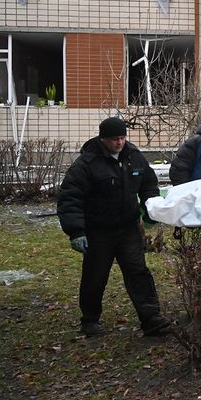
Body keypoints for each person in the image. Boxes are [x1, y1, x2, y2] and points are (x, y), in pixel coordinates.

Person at [57, 117, 172, 338]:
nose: (119, 143)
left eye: (122, 138)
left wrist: (150, 208)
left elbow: (148, 184)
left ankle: (152, 319)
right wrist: (76, 231)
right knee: (95, 275)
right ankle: (90, 321)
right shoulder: (87, 164)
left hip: (128, 228)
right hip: (98, 230)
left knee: (138, 272)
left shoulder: (134, 157)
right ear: (103, 139)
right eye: (114, 139)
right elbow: (70, 197)